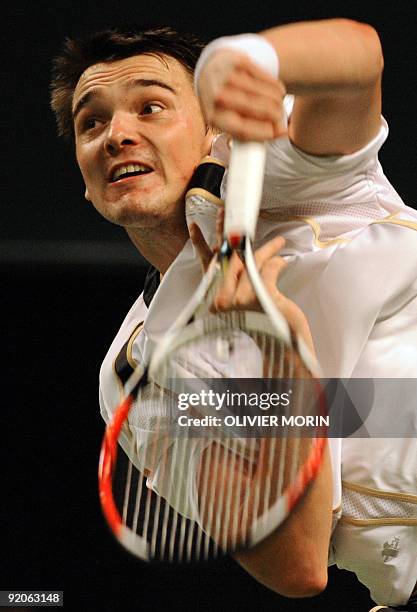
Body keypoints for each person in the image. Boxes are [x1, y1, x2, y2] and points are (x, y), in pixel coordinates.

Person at [50, 18, 417, 610]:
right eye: (91, 122)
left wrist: (250, 56)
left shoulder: (288, 175)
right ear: (86, 182)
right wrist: (283, 357)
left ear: (212, 131)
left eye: (151, 107)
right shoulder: (140, 371)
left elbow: (358, 63)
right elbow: (296, 564)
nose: (116, 134)